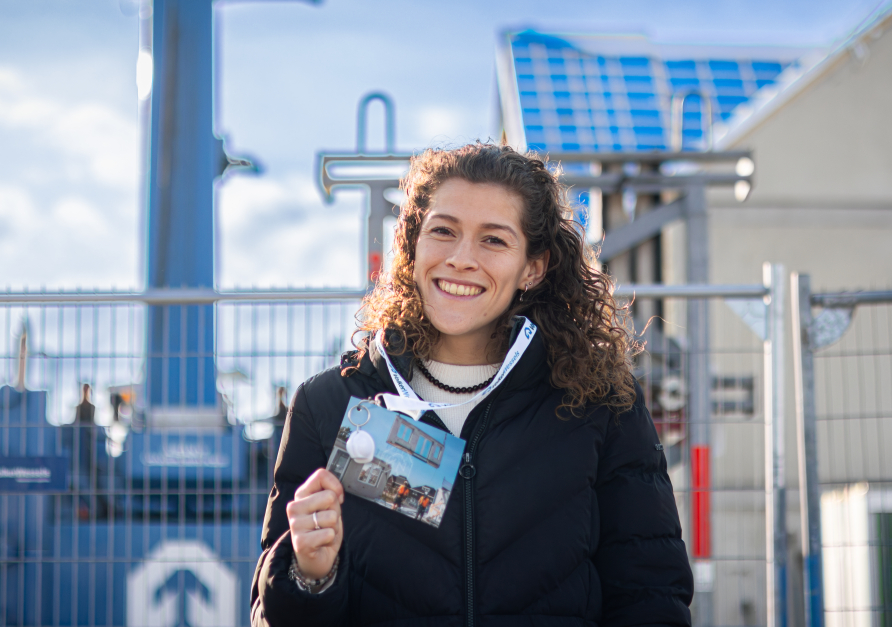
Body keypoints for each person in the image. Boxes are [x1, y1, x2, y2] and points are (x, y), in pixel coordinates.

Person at [250, 143, 693, 626]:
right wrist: (309, 576)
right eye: (443, 231)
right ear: (412, 244)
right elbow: (271, 618)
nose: (461, 259)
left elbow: (651, 595)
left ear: (534, 267)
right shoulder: (330, 405)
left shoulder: (600, 404)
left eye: (494, 241)